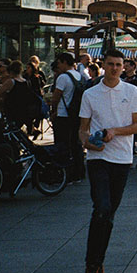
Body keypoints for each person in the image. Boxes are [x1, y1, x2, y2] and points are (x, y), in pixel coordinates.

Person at [77, 49, 137, 273]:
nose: (115, 68)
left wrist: (115, 131)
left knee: (109, 213)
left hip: (122, 159)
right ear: (103, 65)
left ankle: (99, 261)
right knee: (101, 207)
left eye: (119, 64)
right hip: (98, 158)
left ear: (124, 66)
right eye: (111, 64)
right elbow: (83, 128)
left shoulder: (132, 91)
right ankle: (91, 266)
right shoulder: (90, 94)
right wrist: (86, 141)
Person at [51, 52, 86, 183]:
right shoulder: (80, 76)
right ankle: (78, 172)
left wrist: (53, 111)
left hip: (63, 115)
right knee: (76, 144)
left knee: (62, 145)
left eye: (59, 62)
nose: (58, 65)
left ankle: (64, 172)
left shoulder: (63, 77)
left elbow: (55, 98)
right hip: (76, 114)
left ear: (64, 62)